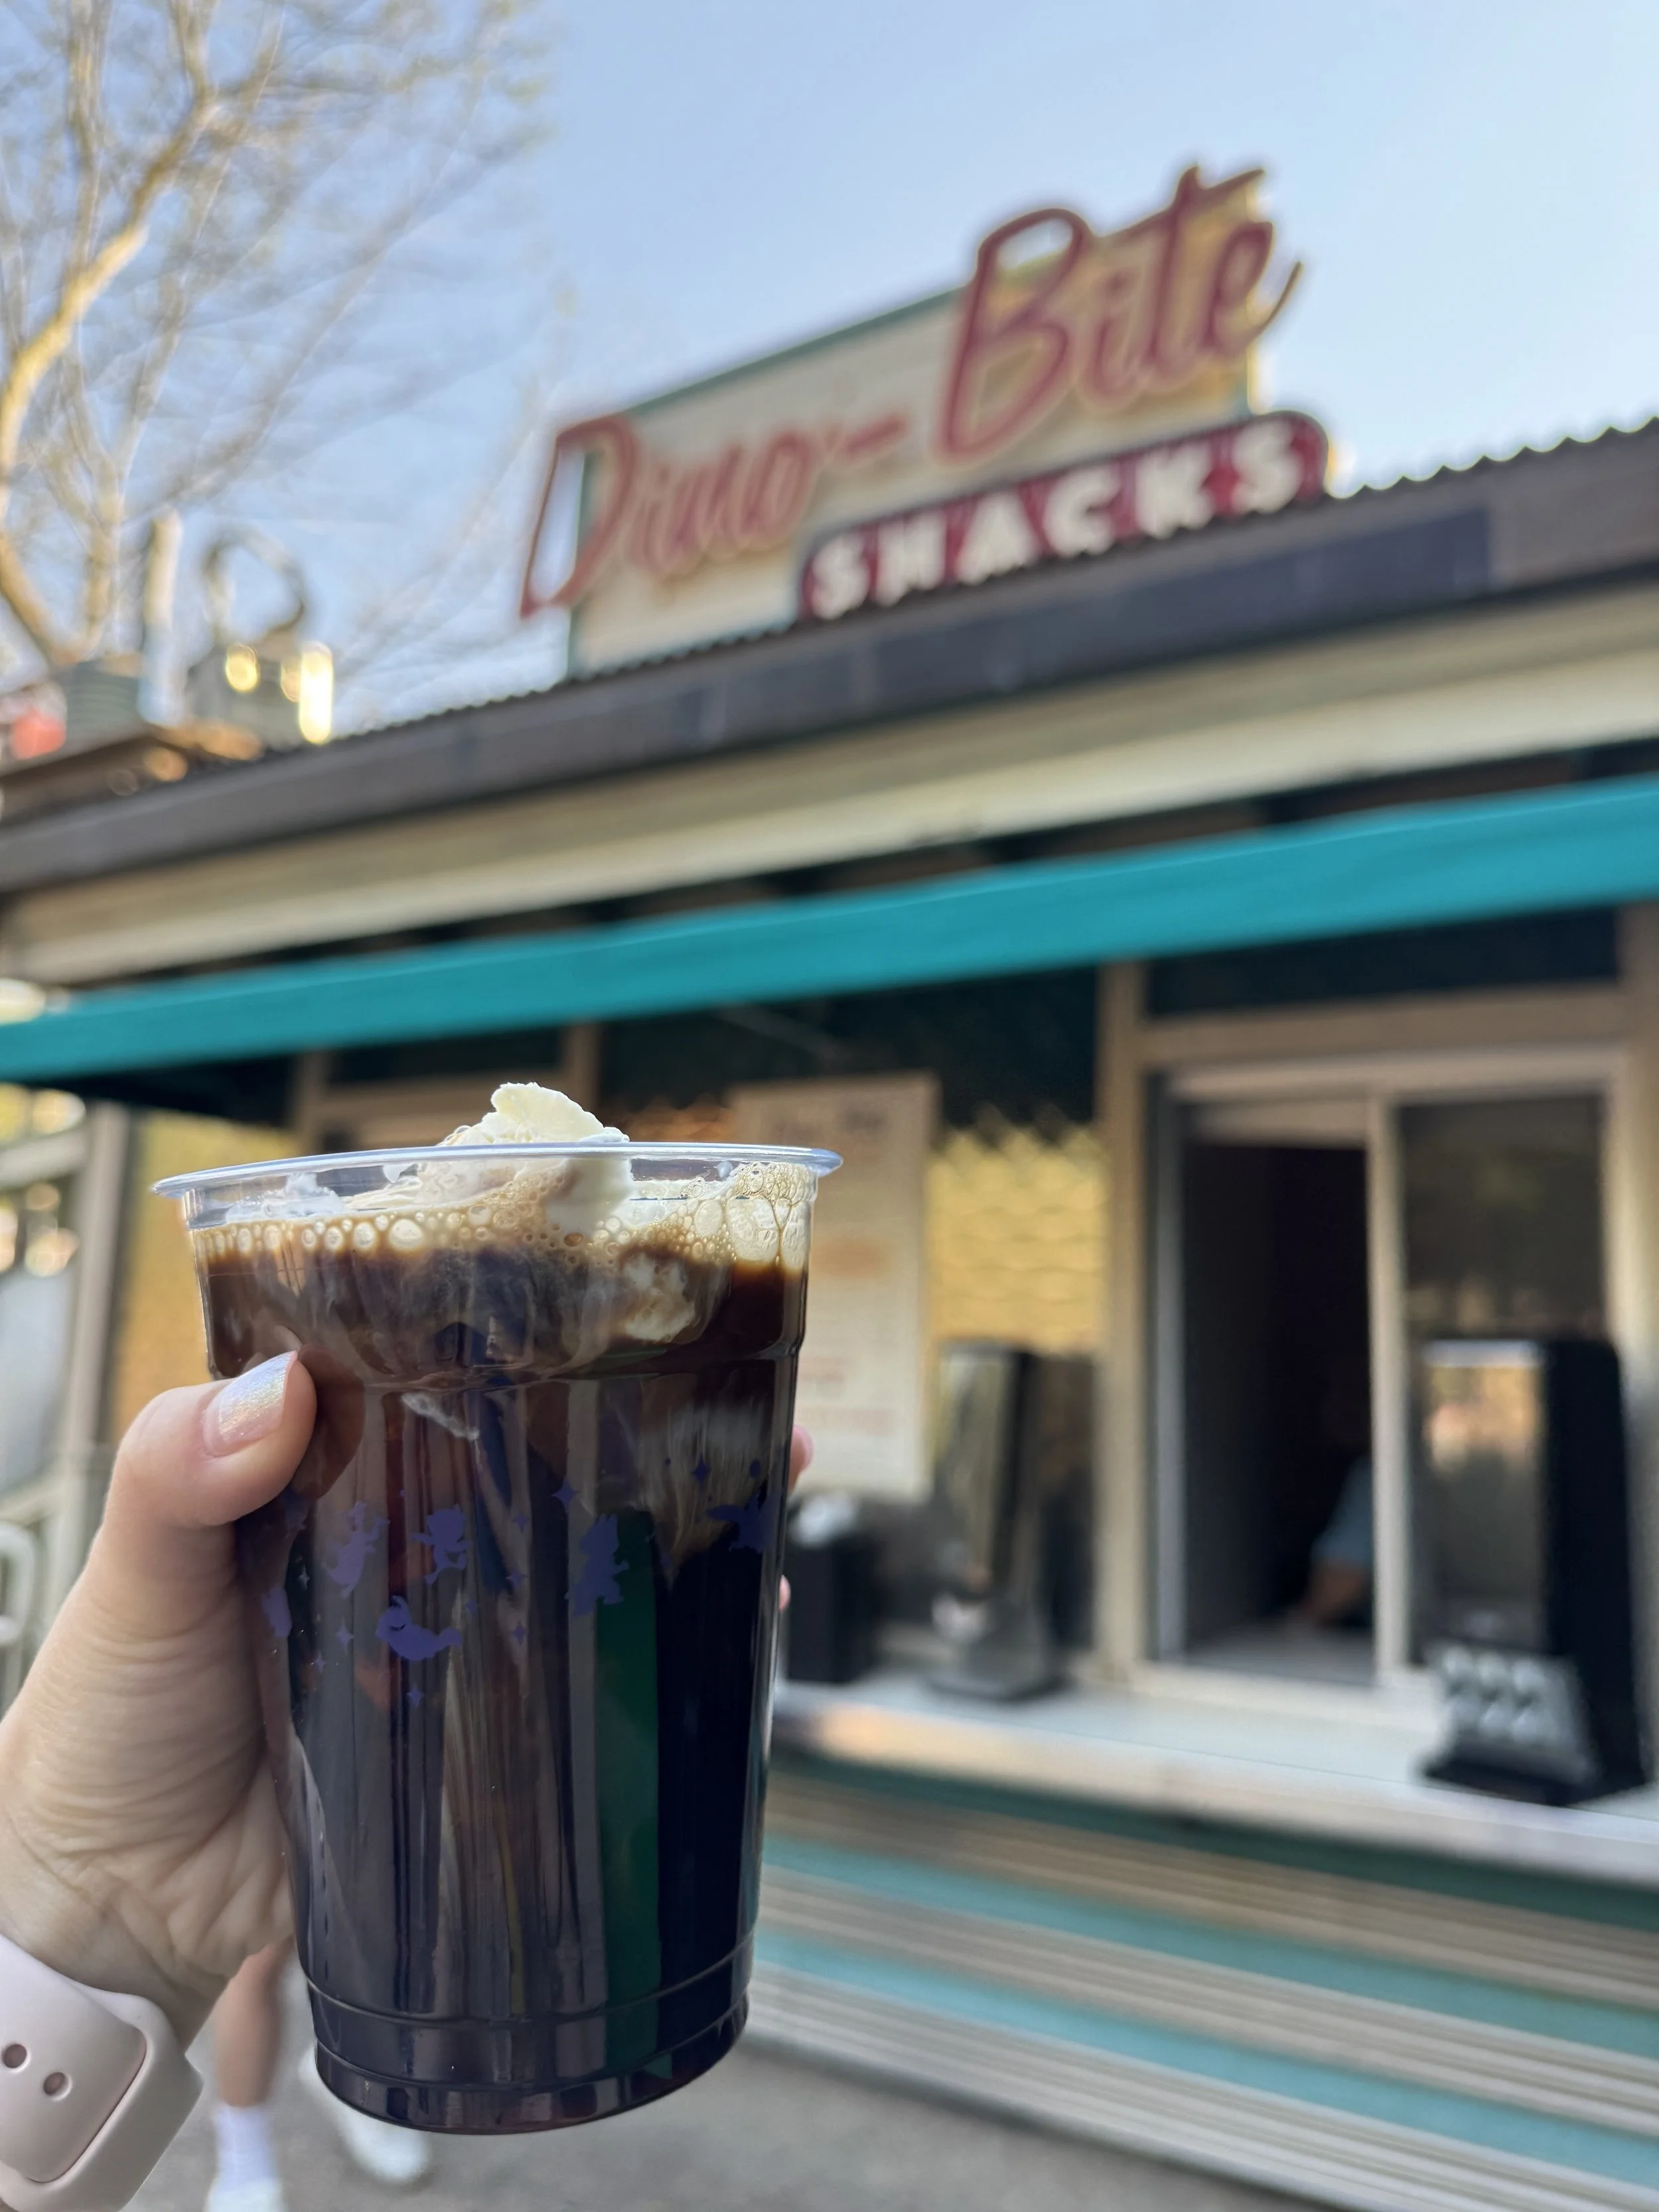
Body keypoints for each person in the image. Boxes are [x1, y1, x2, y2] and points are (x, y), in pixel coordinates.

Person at [0, 1355, 810, 2205]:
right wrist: (102, 1900)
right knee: (268, 1967)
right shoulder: (349, 1462)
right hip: (312, 1723)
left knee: (385, 1923)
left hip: (423, 1736)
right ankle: (247, 2155)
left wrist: (105, 1910)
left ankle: (361, 2087)